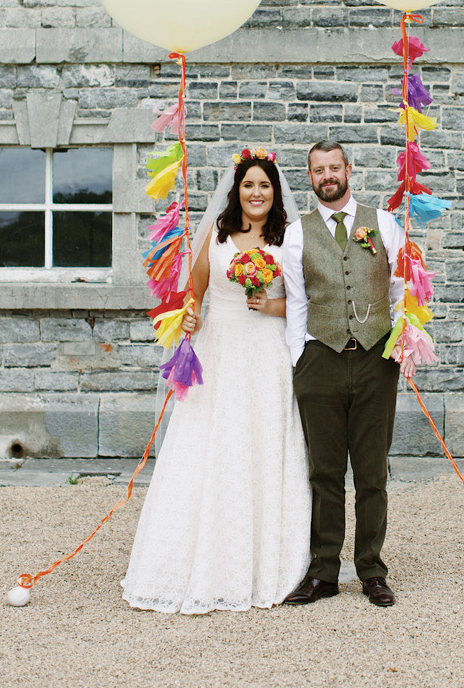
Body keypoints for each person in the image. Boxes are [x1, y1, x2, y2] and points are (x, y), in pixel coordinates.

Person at [122, 149, 311, 614]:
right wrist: (189, 319)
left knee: (266, 445)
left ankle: (270, 562)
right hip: (222, 350)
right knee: (212, 447)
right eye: (249, 185)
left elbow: (311, 302)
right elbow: (194, 298)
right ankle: (204, 558)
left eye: (264, 185)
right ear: (236, 190)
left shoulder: (289, 238)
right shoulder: (216, 236)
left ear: (275, 191)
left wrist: (274, 306)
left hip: (268, 353)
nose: (256, 193)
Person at [282, 140, 417, 608]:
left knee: (372, 471)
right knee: (324, 472)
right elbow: (296, 302)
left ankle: (372, 570)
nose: (327, 176)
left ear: (348, 170)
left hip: (377, 357)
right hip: (320, 359)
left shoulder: (382, 223)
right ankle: (323, 572)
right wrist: (299, 359)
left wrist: (401, 342)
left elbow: (401, 285)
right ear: (311, 177)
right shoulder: (296, 234)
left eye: (333, 167)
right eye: (318, 170)